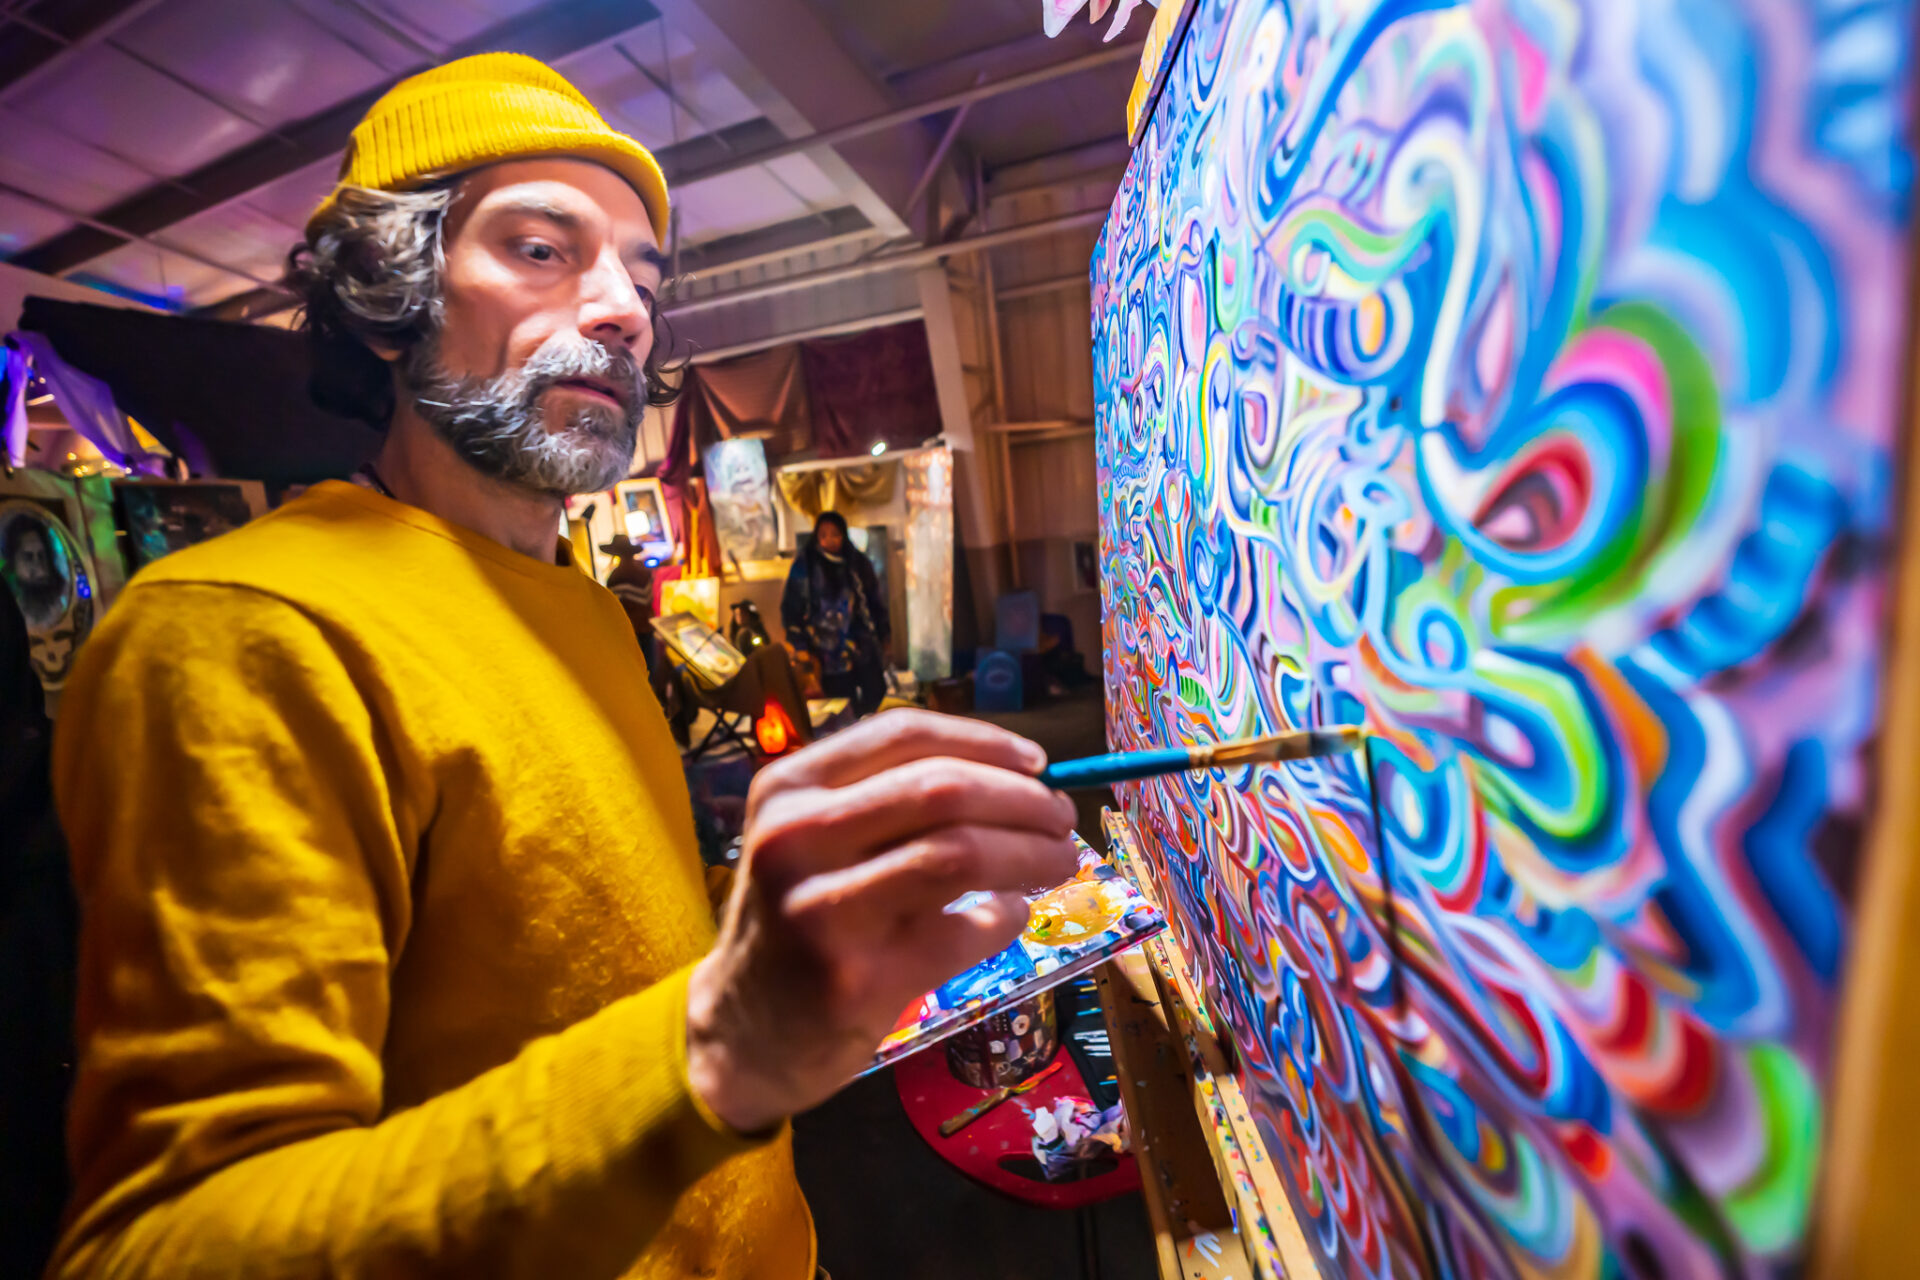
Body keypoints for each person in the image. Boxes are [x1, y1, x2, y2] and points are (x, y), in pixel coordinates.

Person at [49, 53, 1076, 1280]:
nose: (625, 310)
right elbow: (162, 1246)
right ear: (393, 294)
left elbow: (575, 934)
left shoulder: (587, 614)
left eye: (642, 278)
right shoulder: (244, 628)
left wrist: (775, 888)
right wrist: (721, 1046)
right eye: (543, 249)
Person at [781, 511, 890, 716]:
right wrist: (799, 646)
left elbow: (874, 602)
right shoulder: (805, 566)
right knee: (841, 706)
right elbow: (791, 608)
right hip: (826, 652)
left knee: (875, 696)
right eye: (823, 535)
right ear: (817, 537)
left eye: (835, 534)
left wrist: (884, 634)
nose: (829, 540)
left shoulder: (857, 563)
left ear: (843, 535)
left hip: (859, 645)